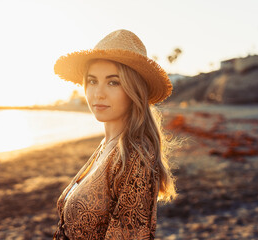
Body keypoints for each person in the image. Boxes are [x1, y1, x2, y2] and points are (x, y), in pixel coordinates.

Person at [53, 29, 176, 239]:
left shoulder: (136, 157)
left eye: (113, 82)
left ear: (133, 90)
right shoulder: (108, 144)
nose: (98, 93)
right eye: (92, 81)